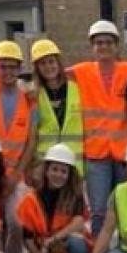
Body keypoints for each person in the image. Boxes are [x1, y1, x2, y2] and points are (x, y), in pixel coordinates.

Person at [70, 19, 127, 235]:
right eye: (99, 43)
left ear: (116, 45)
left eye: (108, 42)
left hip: (123, 153)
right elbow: (51, 76)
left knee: (126, 208)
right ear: (92, 47)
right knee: (98, 210)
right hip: (96, 153)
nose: (103, 47)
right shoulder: (82, 72)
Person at [17, 144, 93, 253]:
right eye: (55, 169)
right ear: (46, 170)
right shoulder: (31, 199)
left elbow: (79, 222)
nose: (59, 175)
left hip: (67, 252)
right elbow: (27, 240)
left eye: (64, 171)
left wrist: (52, 239)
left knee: (77, 242)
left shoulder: (75, 195)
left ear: (70, 174)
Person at [0, 40, 36, 182]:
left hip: (18, 176)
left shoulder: (32, 101)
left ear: (19, 69)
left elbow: (32, 141)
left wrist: (16, 175)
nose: (8, 72)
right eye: (3, 67)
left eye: (12, 67)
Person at [29, 39, 85, 182]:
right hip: (46, 166)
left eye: (51, 62)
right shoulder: (34, 95)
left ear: (58, 63)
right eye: (43, 63)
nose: (48, 67)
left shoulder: (77, 89)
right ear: (37, 68)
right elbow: (32, 132)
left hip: (74, 165)